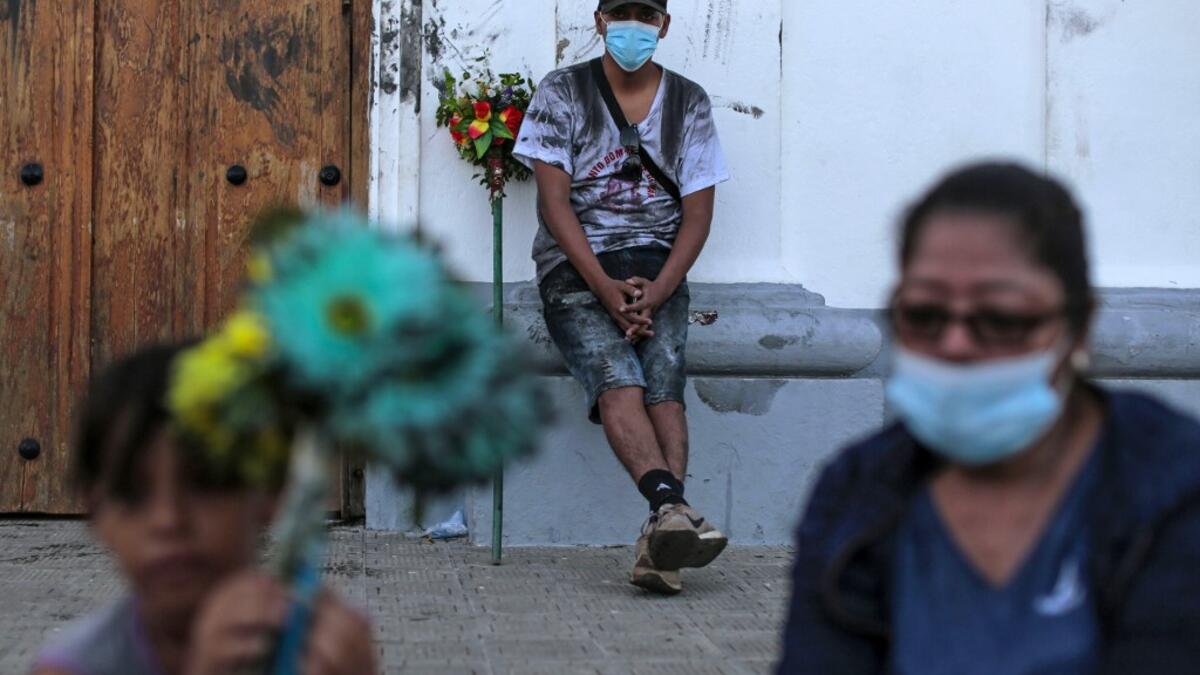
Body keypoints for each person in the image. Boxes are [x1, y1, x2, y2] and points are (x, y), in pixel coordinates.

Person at [776, 162, 1200, 674]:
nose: (955, 345)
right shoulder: (855, 492)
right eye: (925, 315)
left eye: (1002, 319)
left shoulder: (1174, 487)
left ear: (1079, 326)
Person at [513, 0, 731, 594]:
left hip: (658, 268)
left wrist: (659, 290)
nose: (633, 24)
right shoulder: (562, 92)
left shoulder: (690, 101)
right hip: (577, 266)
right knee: (619, 377)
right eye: (621, 12)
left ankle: (663, 536)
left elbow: (699, 211)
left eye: (645, 13)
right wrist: (604, 289)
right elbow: (553, 203)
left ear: (663, 25)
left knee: (665, 383)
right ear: (600, 21)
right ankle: (672, 511)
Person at [31, 344, 378, 675]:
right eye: (132, 494)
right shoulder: (72, 667)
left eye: (206, 483)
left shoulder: (321, 650)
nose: (169, 520)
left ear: (269, 493)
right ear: (96, 513)